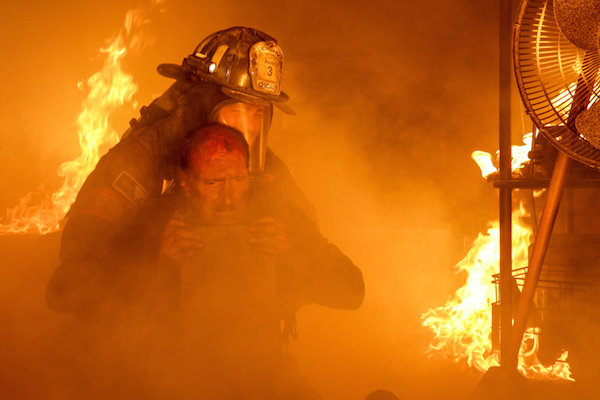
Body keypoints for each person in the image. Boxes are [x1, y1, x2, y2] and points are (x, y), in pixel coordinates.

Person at [47, 124, 364, 399]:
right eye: (213, 183)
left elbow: (352, 292)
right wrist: (157, 264)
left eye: (238, 180)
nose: (229, 197)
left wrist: (292, 255)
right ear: (185, 183)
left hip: (261, 377)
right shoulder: (155, 222)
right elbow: (62, 294)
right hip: (171, 381)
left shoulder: (274, 215)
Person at [49, 26, 314, 313]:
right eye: (236, 111)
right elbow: (70, 287)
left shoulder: (261, 162)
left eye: (257, 114)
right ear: (202, 108)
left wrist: (287, 251)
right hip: (145, 330)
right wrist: (157, 263)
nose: (247, 128)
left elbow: (313, 248)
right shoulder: (139, 161)